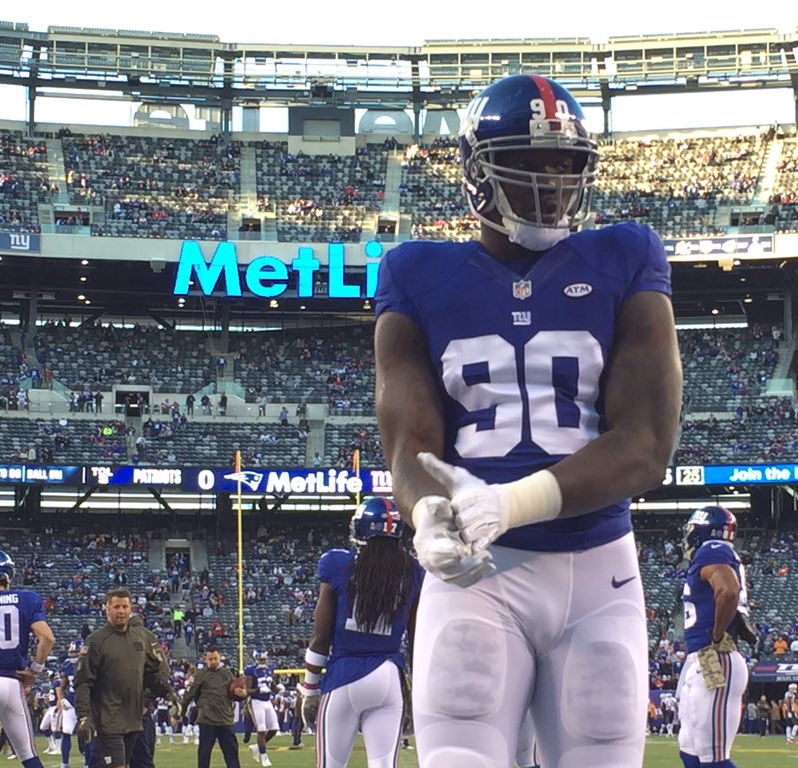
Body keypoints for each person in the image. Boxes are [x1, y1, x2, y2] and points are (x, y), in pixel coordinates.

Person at [373, 72, 682, 768]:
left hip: (596, 567)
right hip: (478, 578)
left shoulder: (625, 255)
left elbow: (646, 446)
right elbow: (408, 444)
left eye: (565, 169)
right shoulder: (415, 271)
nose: (551, 187)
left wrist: (507, 504)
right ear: (477, 175)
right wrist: (428, 516)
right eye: (529, 169)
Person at [299, 496, 423, 768]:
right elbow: (417, 641)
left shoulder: (338, 564)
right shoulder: (414, 572)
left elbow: (321, 637)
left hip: (343, 675)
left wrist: (309, 688)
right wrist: (418, 689)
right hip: (388, 676)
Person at [677, 506, 751, 768]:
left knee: (713, 758)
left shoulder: (712, 549)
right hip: (701, 656)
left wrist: (716, 635)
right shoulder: (713, 552)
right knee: (690, 749)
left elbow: (728, 591)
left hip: (716, 655)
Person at [73, 589, 175, 768]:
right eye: (116, 607)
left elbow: (153, 675)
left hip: (134, 720)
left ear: (131, 609)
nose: (121, 611)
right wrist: (83, 716)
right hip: (107, 721)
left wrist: (168, 694)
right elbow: (83, 682)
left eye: (125, 606)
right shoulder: (96, 641)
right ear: (107, 609)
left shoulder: (141, 638)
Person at [0, 549, 55, 768]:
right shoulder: (26, 598)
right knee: (28, 754)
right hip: (10, 682)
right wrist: (35, 670)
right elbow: (47, 638)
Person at [180, 648, 243, 768]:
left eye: (215, 658)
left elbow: (234, 694)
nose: (213, 661)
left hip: (225, 720)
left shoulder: (227, 674)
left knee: (232, 756)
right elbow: (190, 694)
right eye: (210, 659)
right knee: (204, 755)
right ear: (206, 659)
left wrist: (242, 694)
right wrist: (180, 713)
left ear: (220, 657)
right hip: (207, 720)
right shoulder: (201, 674)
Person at [57, 639, 92, 768]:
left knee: (86, 732)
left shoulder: (90, 664)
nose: (73, 655)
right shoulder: (67, 665)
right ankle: (64, 763)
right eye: (71, 652)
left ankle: (87, 764)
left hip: (85, 702)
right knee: (66, 732)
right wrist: (61, 699)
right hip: (71, 702)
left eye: (75, 651)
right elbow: (62, 686)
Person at [243, 650, 277, 766]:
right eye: (261, 659)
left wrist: (277, 688)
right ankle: (264, 756)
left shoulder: (269, 669)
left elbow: (271, 684)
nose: (263, 661)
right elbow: (247, 690)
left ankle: (257, 747)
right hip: (256, 701)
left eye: (264, 659)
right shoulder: (251, 670)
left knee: (274, 728)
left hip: (267, 701)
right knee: (261, 729)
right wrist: (258, 690)